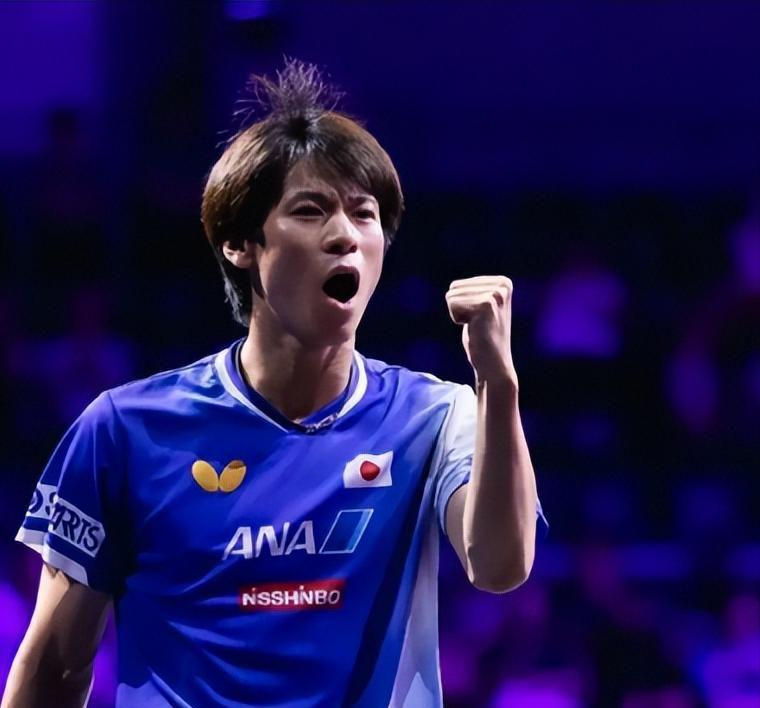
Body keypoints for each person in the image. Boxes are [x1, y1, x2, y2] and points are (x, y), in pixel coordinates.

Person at [3, 60, 546, 708]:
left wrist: (498, 385)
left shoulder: (437, 416)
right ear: (240, 242)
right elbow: (54, 666)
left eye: (365, 214)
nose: (345, 236)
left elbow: (500, 566)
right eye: (311, 211)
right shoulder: (124, 430)